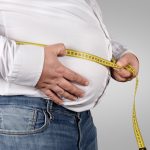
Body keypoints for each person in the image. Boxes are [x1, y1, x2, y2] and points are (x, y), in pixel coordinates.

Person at [0, 0, 139, 149]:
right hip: (27, 110)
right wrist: (30, 65)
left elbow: (73, 17)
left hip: (82, 121)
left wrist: (116, 54)